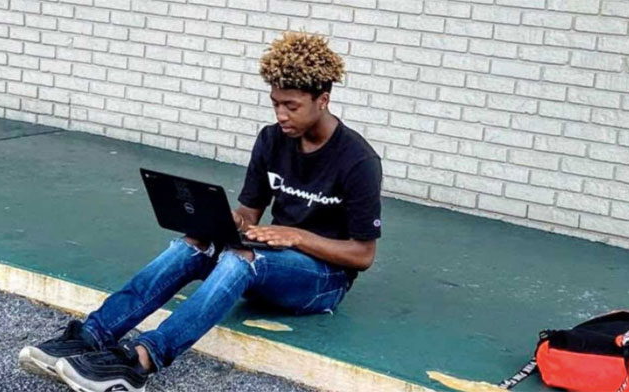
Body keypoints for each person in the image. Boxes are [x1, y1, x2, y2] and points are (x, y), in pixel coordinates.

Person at [19, 31, 382, 392]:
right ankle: (91, 335)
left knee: (243, 260)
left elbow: (362, 255)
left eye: (291, 106)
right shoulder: (272, 139)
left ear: (323, 100)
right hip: (273, 257)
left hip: (322, 281)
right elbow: (250, 213)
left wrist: (297, 236)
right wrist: (228, 222)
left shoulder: (357, 160)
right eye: (275, 104)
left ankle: (139, 362)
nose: (281, 114)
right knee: (191, 245)